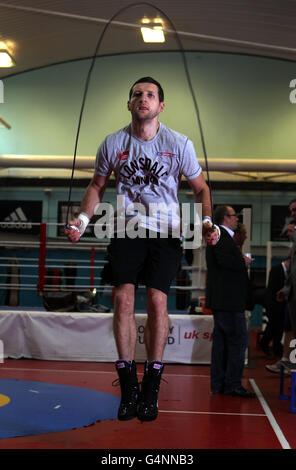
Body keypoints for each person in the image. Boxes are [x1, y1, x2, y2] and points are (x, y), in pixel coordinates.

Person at [65, 77, 219, 422]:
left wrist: (207, 222)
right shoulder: (114, 143)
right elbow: (97, 184)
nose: (143, 98)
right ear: (129, 103)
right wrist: (82, 221)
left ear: (160, 105)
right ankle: (127, 382)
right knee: (122, 298)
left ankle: (151, 381)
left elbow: (200, 188)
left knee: (158, 300)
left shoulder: (178, 143)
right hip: (126, 227)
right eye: (137, 94)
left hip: (166, 230)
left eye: (150, 95)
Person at [205, 205, 255, 398]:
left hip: (224, 300)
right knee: (236, 342)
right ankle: (232, 384)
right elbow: (225, 262)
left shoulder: (220, 237)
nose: (237, 220)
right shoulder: (220, 236)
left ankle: (220, 384)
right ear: (226, 218)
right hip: (228, 300)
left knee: (222, 343)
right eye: (235, 216)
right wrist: (242, 262)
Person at [259, 257, 290, 358]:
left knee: (277, 328)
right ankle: (266, 344)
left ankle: (275, 348)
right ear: (288, 261)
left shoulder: (288, 273)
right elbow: (271, 290)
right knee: (273, 326)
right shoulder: (276, 269)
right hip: (273, 304)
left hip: (282, 306)